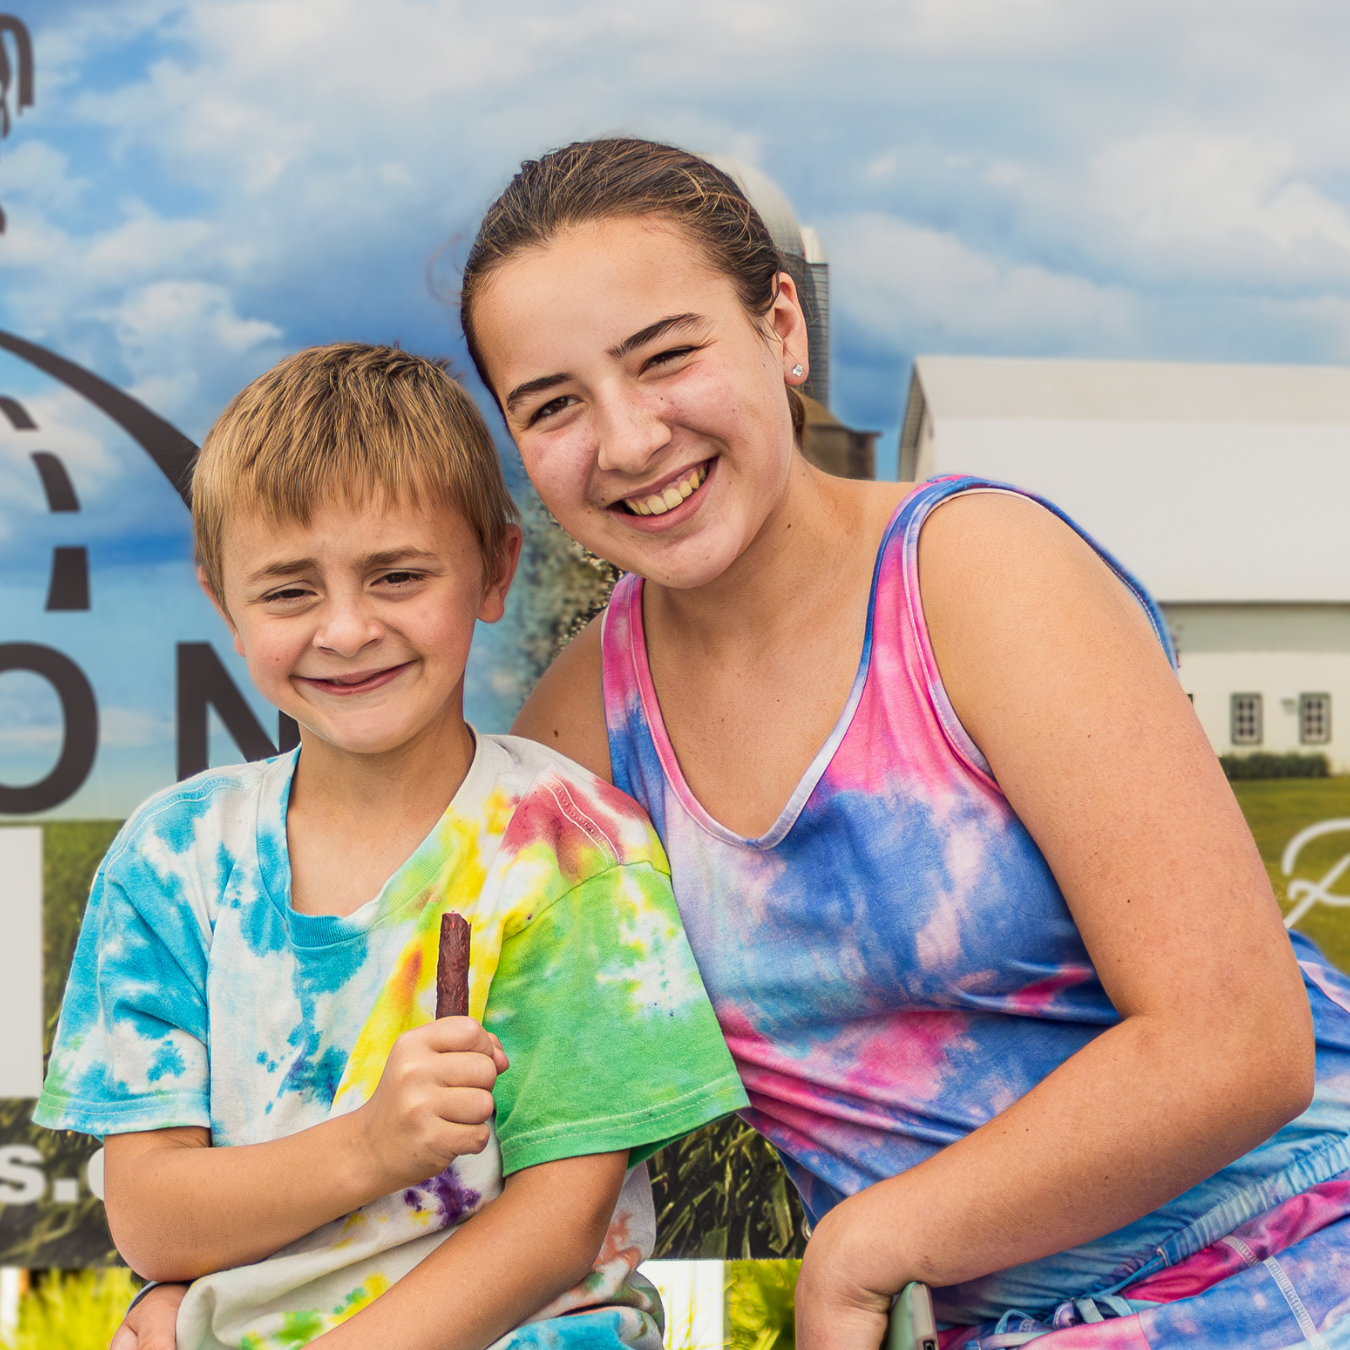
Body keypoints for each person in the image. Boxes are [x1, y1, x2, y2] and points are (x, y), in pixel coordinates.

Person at [468, 141, 1350, 1348]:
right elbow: (475, 1089)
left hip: (1289, 1249)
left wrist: (871, 1244)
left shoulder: (974, 577)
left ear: (782, 328)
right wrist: (197, 1277)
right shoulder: (579, 730)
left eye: (666, 356)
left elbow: (1239, 1046)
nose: (625, 442)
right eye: (554, 403)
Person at [37, 343, 747, 1350]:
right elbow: (152, 1223)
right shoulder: (172, 858)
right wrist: (371, 1147)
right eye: (288, 591)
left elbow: (557, 1227)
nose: (346, 628)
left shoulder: (573, 850)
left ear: (494, 572)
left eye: (398, 575)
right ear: (223, 606)